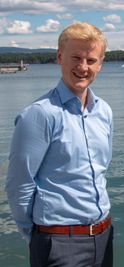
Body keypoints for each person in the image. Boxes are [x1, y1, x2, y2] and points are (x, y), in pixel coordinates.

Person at [6, 22, 113, 267]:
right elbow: (19, 183)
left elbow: (101, 169)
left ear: (101, 63)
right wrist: (37, 236)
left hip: (104, 235)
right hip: (59, 242)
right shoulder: (39, 114)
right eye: (75, 57)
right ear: (59, 57)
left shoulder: (104, 111)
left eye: (91, 60)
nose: (83, 67)